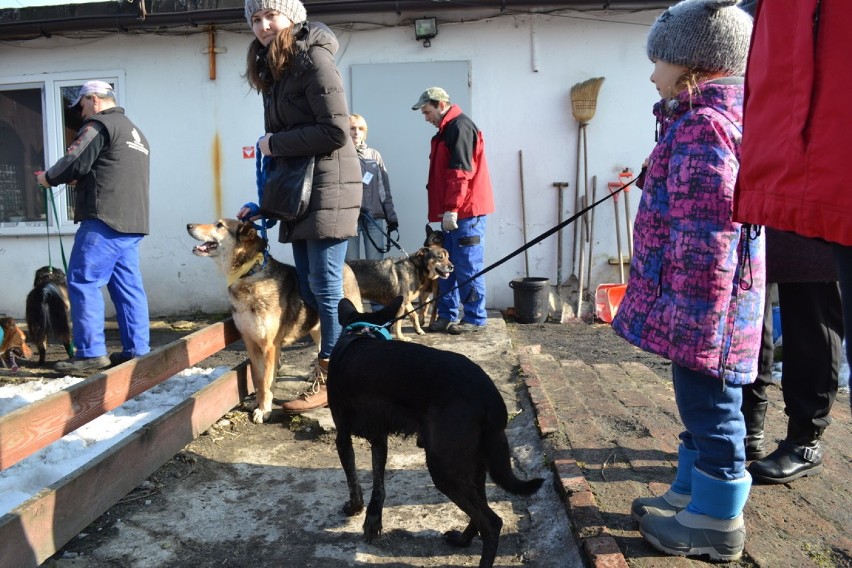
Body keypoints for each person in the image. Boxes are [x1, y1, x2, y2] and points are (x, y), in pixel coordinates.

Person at [610, 0, 760, 560]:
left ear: (696, 64)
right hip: (706, 305)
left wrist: (690, 316)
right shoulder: (706, 121)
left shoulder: (702, 127)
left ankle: (717, 522)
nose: (653, 74)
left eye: (661, 61)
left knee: (713, 408)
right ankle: (690, 493)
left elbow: (709, 232)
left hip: (704, 305)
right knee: (699, 404)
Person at [241, 0, 361, 413]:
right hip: (302, 196)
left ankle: (334, 374)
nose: (263, 25)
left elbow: (334, 130)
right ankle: (356, 357)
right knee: (310, 288)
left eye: (270, 15)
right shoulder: (278, 68)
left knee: (326, 290)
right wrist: (264, 206)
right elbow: (290, 155)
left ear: (292, 16)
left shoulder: (312, 58)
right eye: (255, 19)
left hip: (329, 190)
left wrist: (272, 144)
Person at [733, 1, 852, 418]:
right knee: (750, 309)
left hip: (828, 173)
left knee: (810, 307)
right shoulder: (755, 13)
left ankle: (806, 434)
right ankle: (749, 422)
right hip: (771, 170)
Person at [35, 80, 151, 373]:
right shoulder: (135, 132)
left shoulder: (99, 125)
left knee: (83, 281)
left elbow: (74, 159)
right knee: (128, 288)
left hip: (104, 220)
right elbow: (108, 169)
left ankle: (89, 353)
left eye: (83, 105)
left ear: (95, 99)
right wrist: (82, 179)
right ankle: (138, 351)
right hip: (132, 221)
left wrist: (48, 177)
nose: (82, 113)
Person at [411, 87, 494, 335]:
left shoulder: (460, 128)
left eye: (427, 112)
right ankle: (446, 316)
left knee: (468, 266)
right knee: (444, 264)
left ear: (440, 104)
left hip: (466, 213)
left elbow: (460, 173)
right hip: (455, 212)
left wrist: (452, 209)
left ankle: (474, 319)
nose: (426, 118)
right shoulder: (447, 130)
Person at [345, 114, 399, 262]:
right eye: (352, 128)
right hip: (350, 219)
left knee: (376, 266)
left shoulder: (374, 155)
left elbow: (384, 191)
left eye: (360, 129)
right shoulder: (341, 156)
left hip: (374, 218)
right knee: (351, 265)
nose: (356, 132)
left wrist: (391, 217)